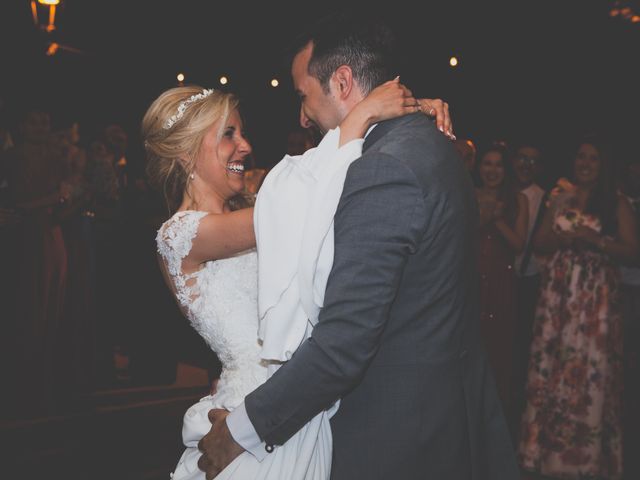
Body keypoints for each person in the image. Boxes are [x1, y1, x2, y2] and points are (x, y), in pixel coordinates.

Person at [199, 13, 518, 480]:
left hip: (397, 434)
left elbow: (343, 343)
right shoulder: (429, 142)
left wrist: (240, 432)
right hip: (443, 412)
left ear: (343, 81)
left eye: (304, 95)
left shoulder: (382, 169)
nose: (302, 116)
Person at [145, 80, 447, 479]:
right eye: (227, 135)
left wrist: (401, 110)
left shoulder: (256, 202)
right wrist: (364, 113)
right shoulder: (180, 235)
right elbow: (294, 203)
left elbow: (313, 174)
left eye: (242, 132)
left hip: (297, 399)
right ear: (185, 155)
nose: (246, 145)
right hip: (254, 414)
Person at [519, 136, 638, 479]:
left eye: (593, 159)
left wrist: (595, 240)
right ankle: (546, 455)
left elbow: (633, 251)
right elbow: (539, 242)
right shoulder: (561, 197)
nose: (585, 164)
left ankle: (585, 459)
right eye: (581, 157)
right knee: (553, 368)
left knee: (591, 372)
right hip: (558, 299)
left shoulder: (615, 203)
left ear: (603, 166)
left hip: (595, 301)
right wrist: (562, 238)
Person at [474, 142, 529, 418]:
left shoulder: (518, 200)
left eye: (498, 165)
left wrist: (495, 218)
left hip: (501, 279)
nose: (492, 170)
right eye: (487, 163)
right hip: (471, 278)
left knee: (500, 348)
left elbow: (519, 243)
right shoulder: (468, 193)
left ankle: (497, 417)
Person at [509, 143, 547, 438]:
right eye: (522, 158)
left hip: (532, 277)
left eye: (532, 161)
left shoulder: (545, 197)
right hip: (503, 274)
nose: (526, 164)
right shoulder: (508, 191)